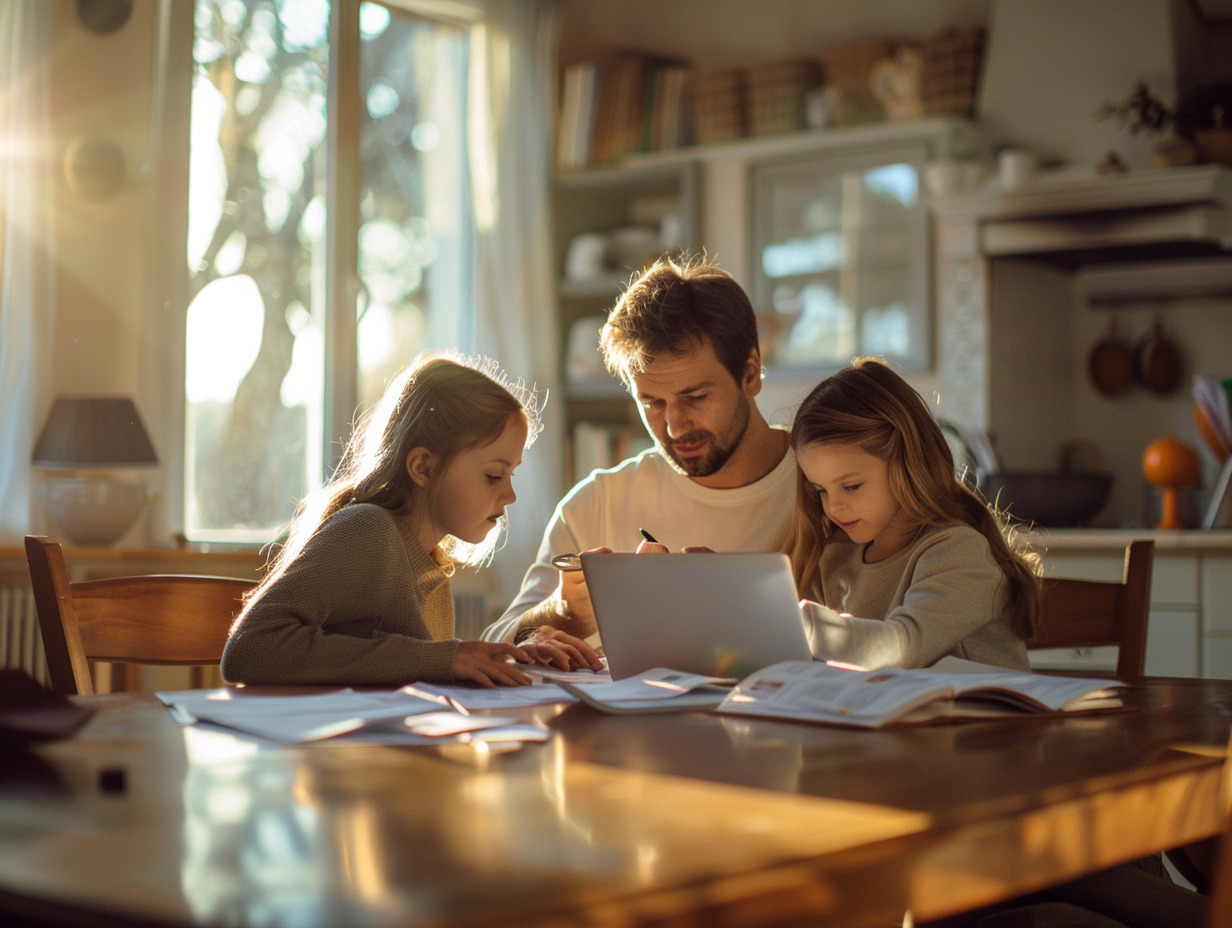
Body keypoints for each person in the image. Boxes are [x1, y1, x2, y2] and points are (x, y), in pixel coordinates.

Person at [221, 351, 600, 688]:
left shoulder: (431, 565)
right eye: (493, 476)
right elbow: (247, 650)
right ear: (423, 467)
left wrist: (520, 651)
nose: (510, 495)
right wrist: (443, 658)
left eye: (511, 475)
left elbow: (414, 672)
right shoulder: (368, 530)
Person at [482, 255, 798, 647]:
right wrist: (563, 614)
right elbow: (494, 645)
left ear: (749, 374)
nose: (674, 425)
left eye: (695, 396)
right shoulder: (597, 502)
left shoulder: (831, 491)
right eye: (652, 402)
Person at [785, 356, 1039, 671]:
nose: (833, 506)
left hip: (984, 716)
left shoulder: (958, 551)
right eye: (821, 490)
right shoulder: (835, 558)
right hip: (887, 717)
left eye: (851, 486)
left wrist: (806, 627)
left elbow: (904, 647)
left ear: (906, 464)